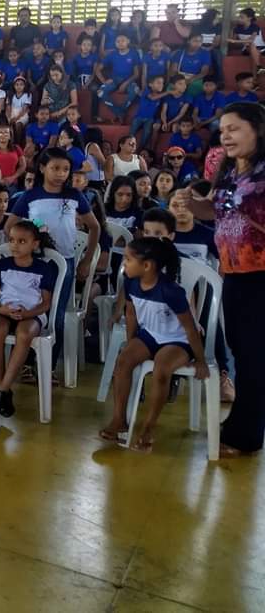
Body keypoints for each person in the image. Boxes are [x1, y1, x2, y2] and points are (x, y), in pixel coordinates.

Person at [175, 102, 265, 456]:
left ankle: (246, 437)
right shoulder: (230, 173)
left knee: (256, 356)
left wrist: (244, 212)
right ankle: (242, 422)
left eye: (235, 128)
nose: (225, 135)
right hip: (234, 272)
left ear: (257, 129)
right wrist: (190, 203)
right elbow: (214, 214)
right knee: (242, 352)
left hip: (260, 275)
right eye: (223, 129)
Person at [99, 237, 205, 452]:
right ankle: (119, 419)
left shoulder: (171, 291)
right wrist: (132, 344)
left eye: (128, 259)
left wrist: (201, 360)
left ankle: (148, 427)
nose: (123, 263)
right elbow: (131, 314)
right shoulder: (130, 283)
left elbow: (190, 328)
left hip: (178, 340)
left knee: (161, 369)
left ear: (146, 266)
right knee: (124, 361)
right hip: (150, 335)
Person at [5, 147, 99, 382]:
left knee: (55, 314)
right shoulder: (30, 196)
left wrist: (86, 261)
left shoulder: (75, 196)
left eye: (65, 169)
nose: (60, 174)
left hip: (64, 263)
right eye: (55, 168)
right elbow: (10, 227)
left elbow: (95, 227)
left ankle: (47, 366)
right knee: (30, 311)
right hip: (33, 263)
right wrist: (31, 238)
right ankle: (26, 363)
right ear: (42, 168)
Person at [0, 221, 58, 417]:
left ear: (34, 244)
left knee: (24, 334)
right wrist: (2, 309)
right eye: (12, 240)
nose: (15, 245)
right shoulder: (1, 265)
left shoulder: (44, 268)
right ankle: (3, 388)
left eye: (22, 241)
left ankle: (2, 388)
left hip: (32, 313)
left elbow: (46, 303)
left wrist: (27, 314)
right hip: (4, 311)